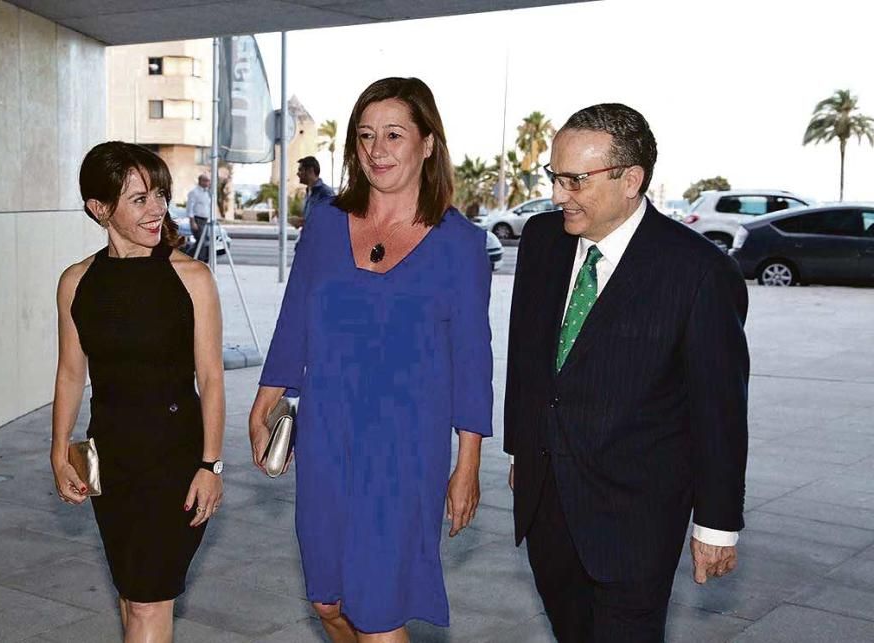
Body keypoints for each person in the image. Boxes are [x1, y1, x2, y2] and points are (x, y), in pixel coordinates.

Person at [249, 77, 493, 642]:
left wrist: (468, 463)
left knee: (378, 611)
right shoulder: (328, 224)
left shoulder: (460, 243)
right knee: (328, 602)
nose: (377, 150)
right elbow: (295, 319)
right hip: (326, 433)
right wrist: (268, 397)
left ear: (428, 143)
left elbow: (473, 360)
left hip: (406, 449)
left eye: (393, 134)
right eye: (364, 136)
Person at [504, 103, 749, 642]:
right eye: (555, 176)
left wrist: (716, 524)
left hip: (636, 520)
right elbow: (527, 358)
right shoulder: (544, 242)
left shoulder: (699, 272)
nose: (558, 194)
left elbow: (720, 409)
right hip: (549, 509)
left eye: (575, 180)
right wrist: (523, 448)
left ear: (631, 179)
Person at [51, 142, 226, 642]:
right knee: (132, 598)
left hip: (174, 461)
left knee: (148, 604)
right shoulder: (76, 282)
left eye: (160, 196)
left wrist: (211, 465)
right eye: (139, 200)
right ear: (99, 209)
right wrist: (59, 448)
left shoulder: (191, 278)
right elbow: (69, 372)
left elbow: (211, 378)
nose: (158, 210)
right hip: (112, 457)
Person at [297, 155, 335, 220]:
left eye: (301, 170)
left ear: (310, 171)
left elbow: (330, 219)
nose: (298, 173)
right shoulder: (308, 192)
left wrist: (302, 223)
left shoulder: (325, 193)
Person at [186, 173, 213, 258]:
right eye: (206, 180)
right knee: (201, 241)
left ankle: (190, 258)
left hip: (205, 220)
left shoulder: (208, 193)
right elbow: (190, 208)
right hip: (197, 220)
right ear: (200, 181)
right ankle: (197, 259)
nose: (208, 183)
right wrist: (192, 222)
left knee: (202, 242)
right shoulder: (194, 192)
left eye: (209, 181)